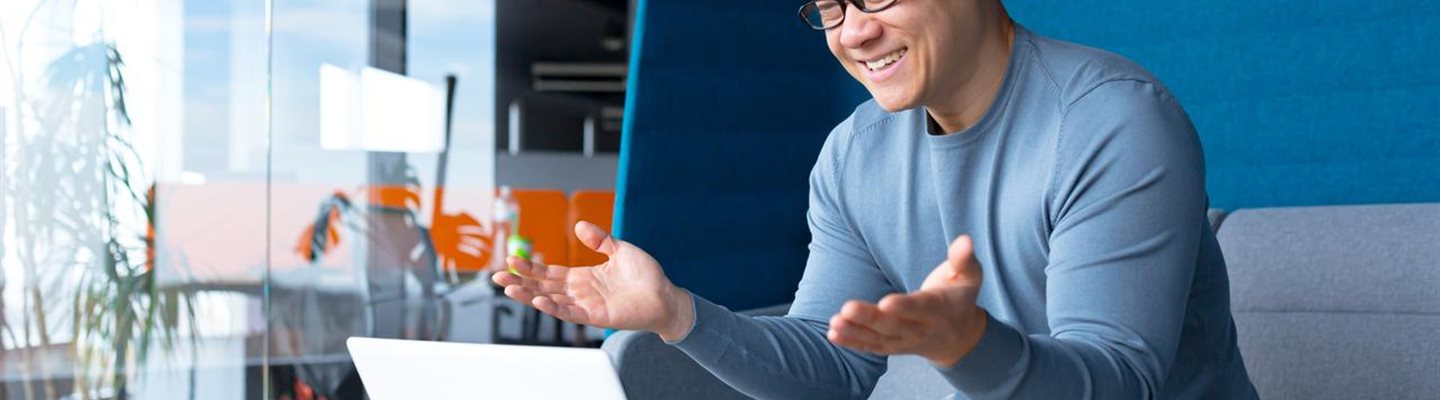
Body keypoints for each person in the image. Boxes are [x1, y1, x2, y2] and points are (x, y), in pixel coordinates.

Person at [494, 0, 1258, 398]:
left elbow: (1118, 382)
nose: (854, 31)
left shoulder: (1111, 120)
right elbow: (830, 369)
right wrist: (677, 314)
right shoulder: (854, 155)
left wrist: (970, 346)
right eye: (829, 6)